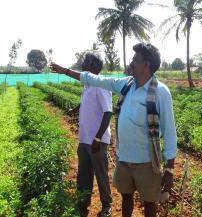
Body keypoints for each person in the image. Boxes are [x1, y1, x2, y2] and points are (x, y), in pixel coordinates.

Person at [50, 43, 177, 217]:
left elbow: (170, 133)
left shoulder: (161, 92)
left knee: (149, 204)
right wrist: (65, 71)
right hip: (124, 158)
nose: (131, 63)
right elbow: (96, 79)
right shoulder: (126, 84)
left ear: (146, 64)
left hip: (147, 162)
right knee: (126, 198)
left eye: (135, 60)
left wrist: (170, 170)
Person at [53, 53, 113, 217]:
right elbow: (87, 101)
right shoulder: (88, 85)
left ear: (93, 67)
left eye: (86, 61)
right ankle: (82, 203)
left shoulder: (101, 85)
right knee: (84, 174)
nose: (82, 63)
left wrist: (98, 138)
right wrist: (76, 109)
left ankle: (107, 206)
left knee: (101, 175)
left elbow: (108, 112)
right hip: (84, 138)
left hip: (97, 141)